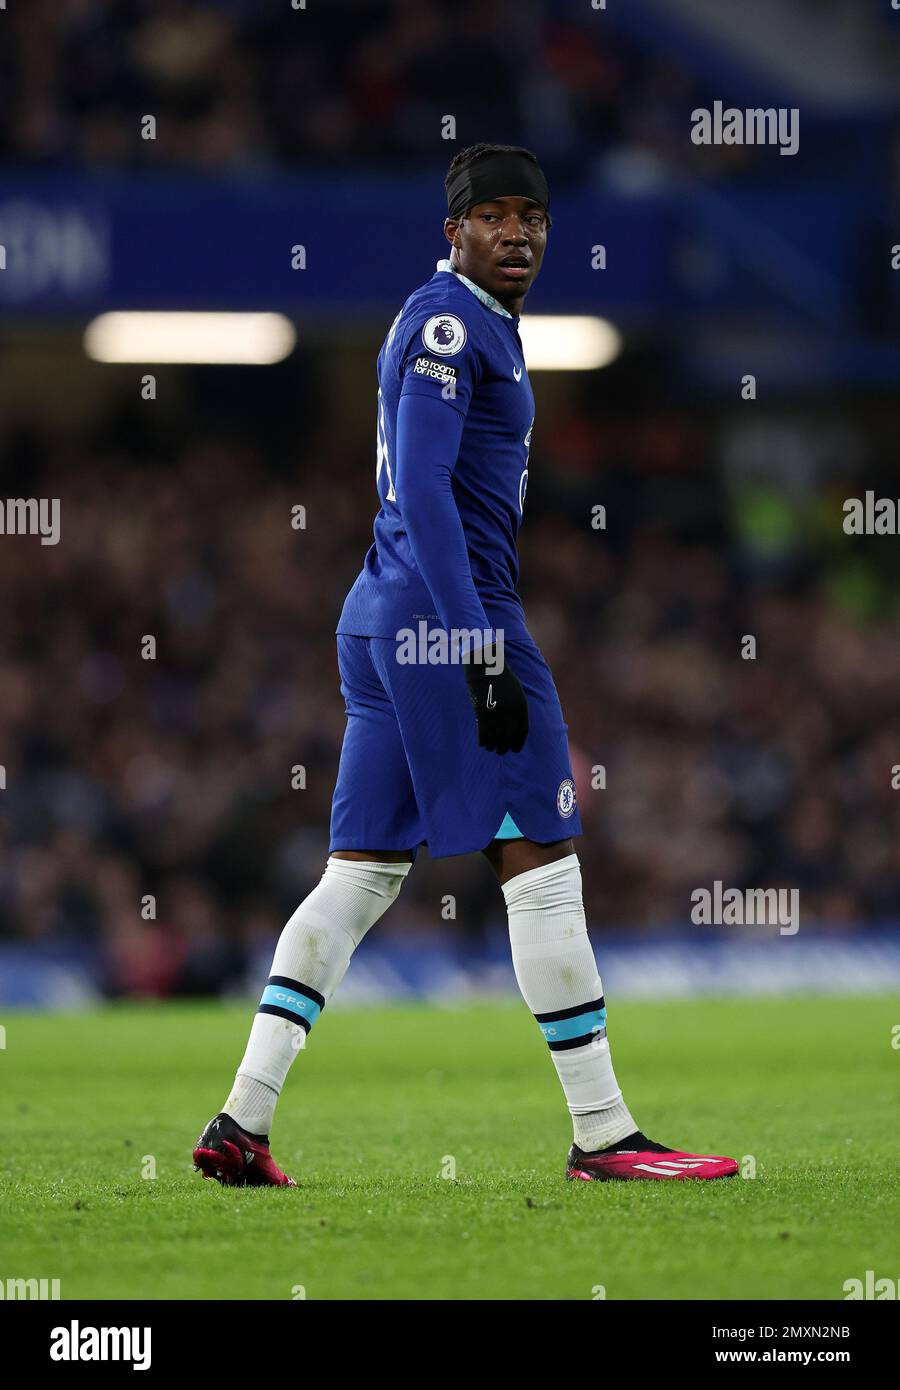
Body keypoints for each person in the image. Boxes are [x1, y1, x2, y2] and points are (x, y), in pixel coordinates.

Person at [193, 144, 737, 1186]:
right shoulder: (451, 325)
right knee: (543, 862)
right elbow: (428, 494)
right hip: (451, 617)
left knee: (356, 880)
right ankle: (604, 1133)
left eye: (531, 216)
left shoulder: (473, 325)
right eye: (491, 216)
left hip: (382, 619)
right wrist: (476, 641)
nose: (517, 233)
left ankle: (241, 1120)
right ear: (453, 232)